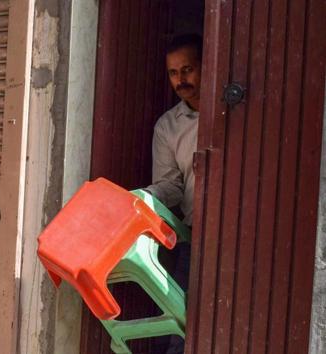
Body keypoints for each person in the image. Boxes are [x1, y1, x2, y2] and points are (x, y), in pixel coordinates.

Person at [145, 33, 202, 354]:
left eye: (188, 69)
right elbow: (171, 186)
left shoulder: (238, 115)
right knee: (178, 327)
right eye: (173, 73)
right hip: (195, 237)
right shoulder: (168, 126)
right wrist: (141, 199)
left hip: (244, 238)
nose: (181, 80)